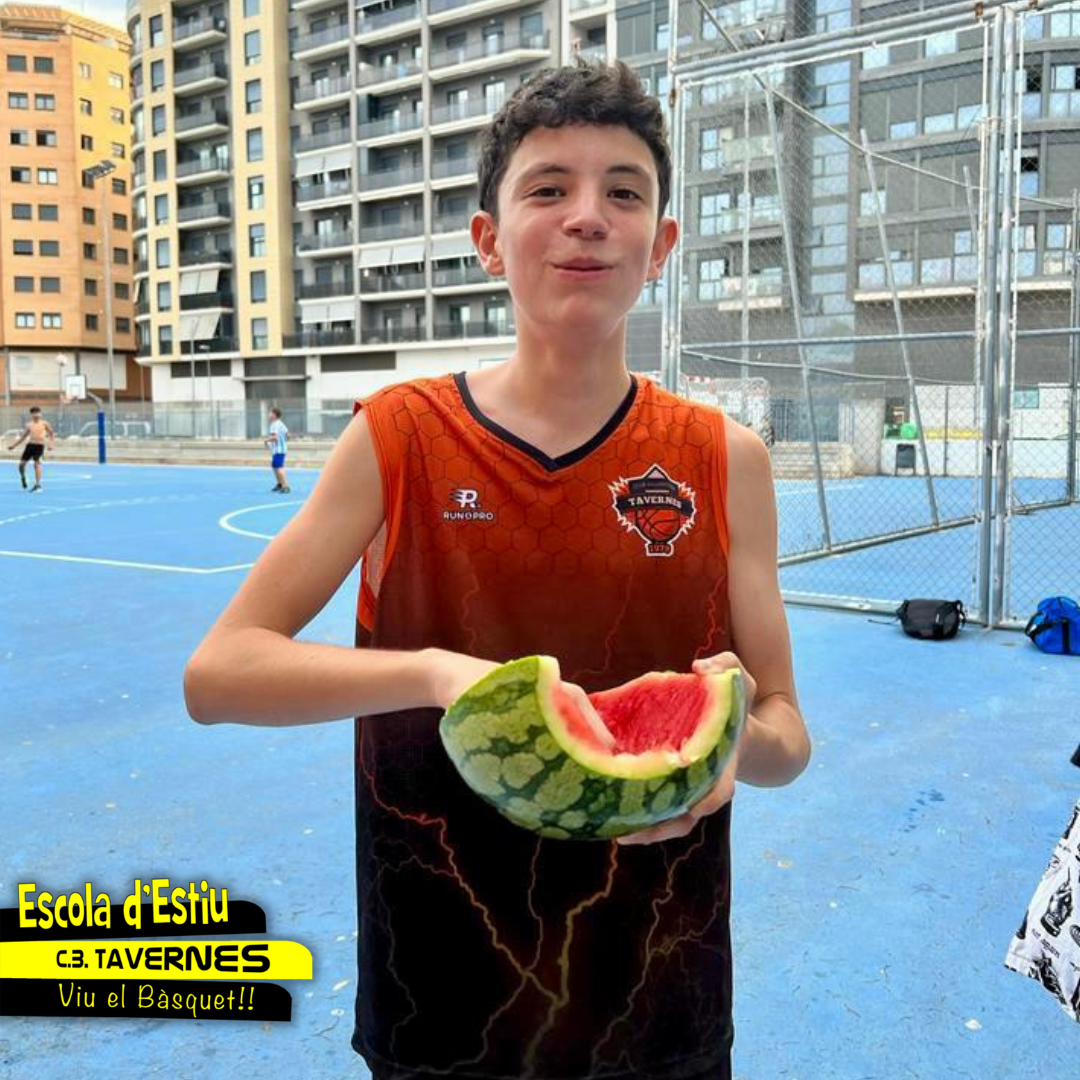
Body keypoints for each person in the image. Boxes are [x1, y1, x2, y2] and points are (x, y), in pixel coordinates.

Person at [185, 61, 810, 1080]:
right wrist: (438, 675)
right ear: (488, 239)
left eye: (623, 193)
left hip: (661, 1002)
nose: (588, 217)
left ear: (660, 247)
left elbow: (787, 734)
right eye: (549, 188)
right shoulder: (398, 436)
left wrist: (728, 742)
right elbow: (218, 675)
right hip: (440, 993)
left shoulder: (723, 458)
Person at [8, 406, 55, 492]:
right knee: (21, 465)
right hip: (30, 446)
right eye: (34, 413)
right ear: (31, 414)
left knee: (37, 464)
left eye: (38, 412)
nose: (36, 414)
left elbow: (51, 434)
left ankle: (38, 485)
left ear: (40, 413)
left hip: (39, 446)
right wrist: (14, 445)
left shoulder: (45, 423)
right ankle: (23, 477)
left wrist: (51, 445)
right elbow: (23, 437)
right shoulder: (29, 425)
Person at [264, 406, 290, 493]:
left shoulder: (275, 424)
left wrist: (266, 440)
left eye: (270, 413)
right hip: (279, 449)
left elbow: (274, 437)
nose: (269, 414)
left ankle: (286, 486)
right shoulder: (280, 423)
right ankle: (280, 484)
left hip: (279, 450)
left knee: (279, 467)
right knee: (275, 466)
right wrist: (283, 440)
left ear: (274, 415)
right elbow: (288, 434)